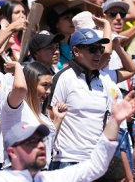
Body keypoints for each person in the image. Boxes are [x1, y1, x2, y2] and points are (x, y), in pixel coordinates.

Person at [0, 82, 135, 181]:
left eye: (40, 141)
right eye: (31, 142)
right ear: (12, 152)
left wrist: (115, 121)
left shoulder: (51, 178)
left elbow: (96, 167)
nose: (40, 146)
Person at [48, 28, 112, 170]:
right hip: (67, 160)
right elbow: (51, 118)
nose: (98, 54)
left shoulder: (104, 81)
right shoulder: (63, 78)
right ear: (76, 51)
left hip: (95, 162)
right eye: (92, 49)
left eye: (100, 49)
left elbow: (104, 122)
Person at [2, 61, 67, 168]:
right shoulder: (17, 106)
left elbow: (48, 142)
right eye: (44, 85)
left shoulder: (40, 112)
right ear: (30, 83)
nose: (48, 91)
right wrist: (18, 66)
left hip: (39, 173)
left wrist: (58, 119)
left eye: (50, 86)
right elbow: (20, 87)